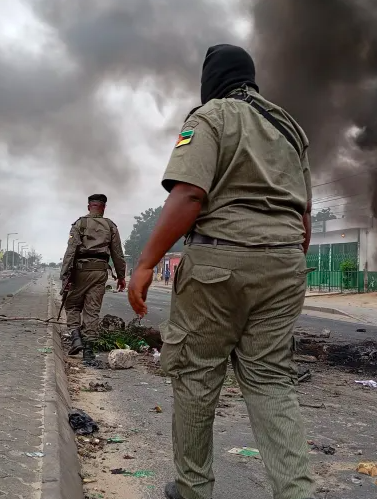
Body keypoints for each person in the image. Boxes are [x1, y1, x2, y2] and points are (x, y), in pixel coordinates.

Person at [127, 44, 314, 499]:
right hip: (286, 262)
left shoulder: (211, 116)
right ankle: (297, 493)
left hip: (219, 264)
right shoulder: (289, 128)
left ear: (212, 79)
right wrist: (282, 260)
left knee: (196, 375)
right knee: (271, 381)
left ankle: (193, 491)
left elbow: (189, 194)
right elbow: (305, 216)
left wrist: (147, 262)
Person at [61, 194, 127, 364]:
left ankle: (76, 337)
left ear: (89, 206)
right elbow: (117, 254)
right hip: (99, 271)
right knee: (92, 310)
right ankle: (89, 352)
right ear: (103, 207)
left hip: (80, 270)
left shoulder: (79, 224)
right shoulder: (110, 226)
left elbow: (71, 251)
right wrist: (121, 276)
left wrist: (65, 274)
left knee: (72, 304)